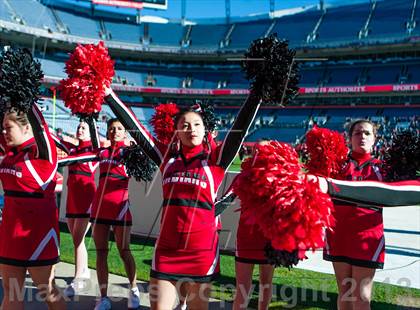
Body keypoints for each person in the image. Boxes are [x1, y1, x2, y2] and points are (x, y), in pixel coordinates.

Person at [103, 88, 261, 309]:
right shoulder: (167, 159)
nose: (191, 129)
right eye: (184, 125)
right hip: (167, 249)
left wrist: (256, 95)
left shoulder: (215, 161)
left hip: (201, 252)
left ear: (205, 130)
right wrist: (109, 95)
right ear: (176, 131)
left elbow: (239, 130)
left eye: (197, 124)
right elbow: (136, 129)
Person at [58, 118, 140, 310]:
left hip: (120, 208)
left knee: (124, 251)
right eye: (111, 129)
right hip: (100, 208)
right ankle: (103, 298)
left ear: (125, 133)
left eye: (119, 129)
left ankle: (134, 289)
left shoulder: (129, 153)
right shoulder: (100, 152)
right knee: (100, 253)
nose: (115, 132)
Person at [323, 119, 385, 310]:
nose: (362, 136)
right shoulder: (335, 165)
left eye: (367, 133)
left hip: (367, 238)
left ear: (375, 139)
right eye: (357, 133)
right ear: (349, 139)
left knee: (362, 296)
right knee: (345, 292)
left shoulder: (384, 167)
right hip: (338, 235)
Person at [60, 120, 99, 297]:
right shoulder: (73, 150)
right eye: (78, 127)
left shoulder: (94, 150)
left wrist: (89, 118)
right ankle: (83, 271)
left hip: (86, 198)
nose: (79, 130)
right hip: (72, 199)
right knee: (78, 241)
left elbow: (98, 143)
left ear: (91, 132)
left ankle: (78, 279)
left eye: (84, 127)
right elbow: (55, 140)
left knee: (77, 239)